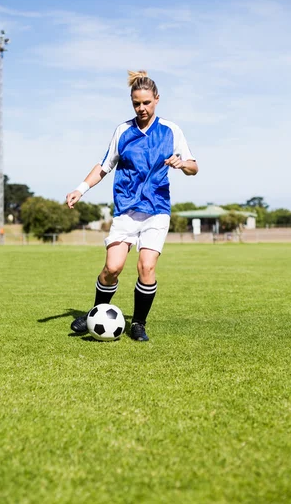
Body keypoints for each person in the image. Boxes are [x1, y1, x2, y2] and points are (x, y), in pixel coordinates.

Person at [66, 70, 198, 341]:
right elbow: (104, 166)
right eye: (136, 103)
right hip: (126, 210)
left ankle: (138, 323)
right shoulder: (123, 131)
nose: (141, 108)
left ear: (157, 100)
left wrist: (182, 163)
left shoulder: (172, 131)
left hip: (157, 209)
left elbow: (194, 167)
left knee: (146, 267)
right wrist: (81, 189)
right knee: (112, 268)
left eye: (146, 102)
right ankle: (96, 312)